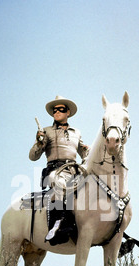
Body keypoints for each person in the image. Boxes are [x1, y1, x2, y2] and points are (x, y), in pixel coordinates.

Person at [29, 95, 89, 243]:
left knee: (98, 187)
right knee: (61, 183)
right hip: (55, 171)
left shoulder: (76, 132)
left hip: (74, 171)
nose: (56, 112)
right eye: (54, 110)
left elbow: (84, 152)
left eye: (60, 109)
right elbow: (33, 156)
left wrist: (87, 154)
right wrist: (39, 142)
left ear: (67, 112)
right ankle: (58, 224)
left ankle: (112, 233)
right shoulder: (47, 131)